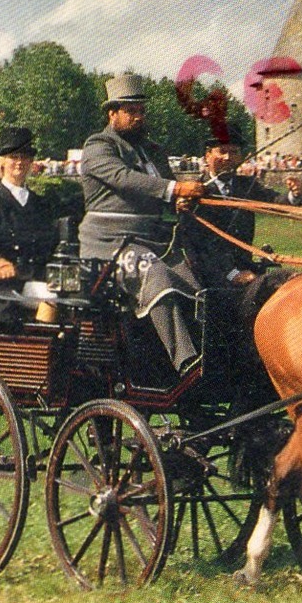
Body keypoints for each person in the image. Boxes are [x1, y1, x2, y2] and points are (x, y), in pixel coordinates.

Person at [78, 74, 207, 376]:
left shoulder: (153, 150)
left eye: (141, 111)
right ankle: (186, 362)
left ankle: (205, 355)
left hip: (153, 242)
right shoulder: (98, 146)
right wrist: (174, 190)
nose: (138, 117)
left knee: (195, 283)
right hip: (109, 247)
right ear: (113, 114)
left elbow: (165, 189)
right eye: (130, 111)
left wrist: (179, 200)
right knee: (157, 276)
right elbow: (124, 179)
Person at [179, 124, 302, 291]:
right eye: (222, 151)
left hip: (247, 268)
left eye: (234, 152)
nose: (227, 157)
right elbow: (197, 248)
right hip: (210, 277)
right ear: (208, 155)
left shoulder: (246, 185)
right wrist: (232, 274)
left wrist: (293, 195)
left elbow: (273, 202)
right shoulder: (193, 192)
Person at [0, 127, 56, 326]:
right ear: (2, 162)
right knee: (54, 298)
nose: (19, 162)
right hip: (1, 290)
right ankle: (39, 348)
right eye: (13, 156)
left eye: (24, 157)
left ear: (31, 162)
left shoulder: (38, 203)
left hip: (31, 282)